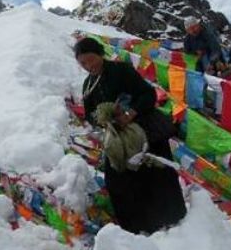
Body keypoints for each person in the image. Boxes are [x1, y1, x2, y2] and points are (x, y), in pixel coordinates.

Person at [75, 37, 186, 234]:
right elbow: (89, 114)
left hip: (144, 129)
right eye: (83, 63)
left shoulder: (121, 70)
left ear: (100, 53)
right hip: (118, 139)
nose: (88, 65)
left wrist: (130, 113)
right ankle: (136, 228)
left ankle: (172, 221)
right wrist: (101, 118)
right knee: (118, 181)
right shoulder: (88, 85)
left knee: (156, 173)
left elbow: (147, 94)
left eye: (90, 59)